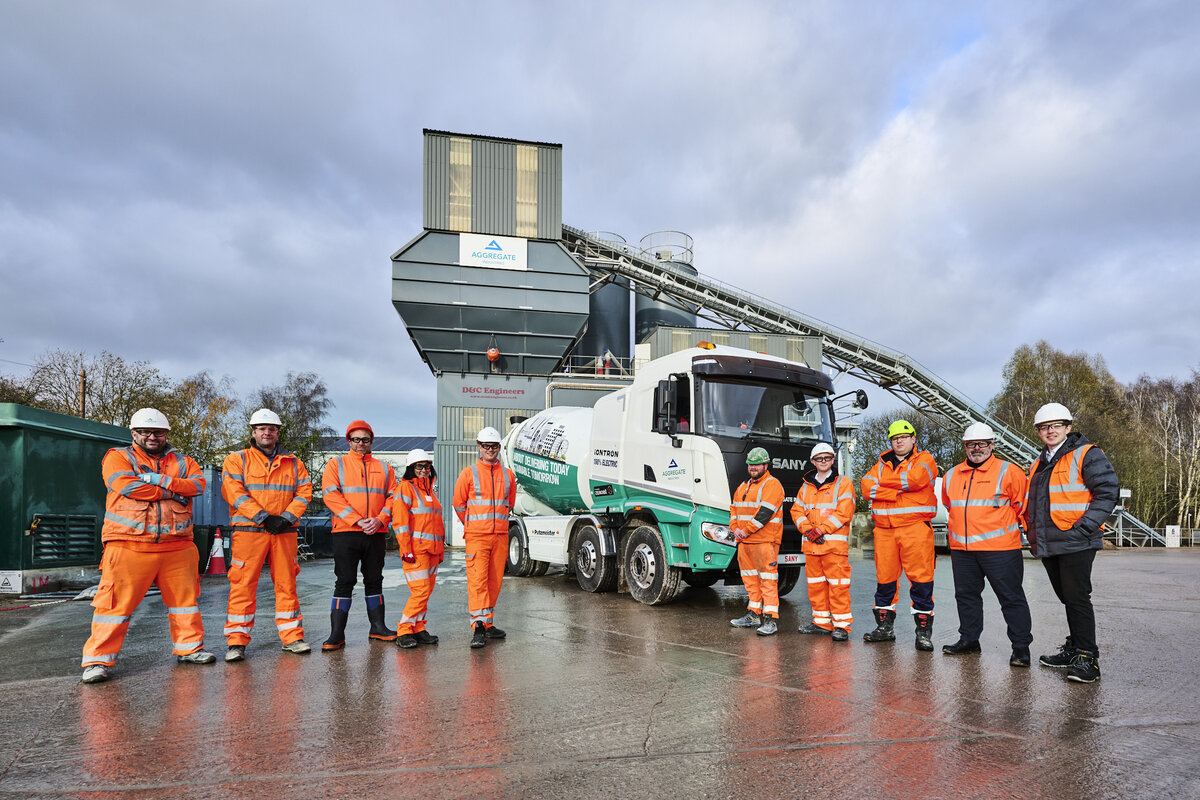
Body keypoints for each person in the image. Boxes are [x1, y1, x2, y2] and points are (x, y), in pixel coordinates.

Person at [81, 408, 214, 683]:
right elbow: (127, 487)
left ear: (166, 434)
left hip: (177, 545)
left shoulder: (184, 461)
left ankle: (189, 648)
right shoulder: (118, 457)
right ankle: (96, 661)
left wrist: (161, 481)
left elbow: (198, 486)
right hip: (128, 544)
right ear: (134, 433)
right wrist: (173, 492)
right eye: (146, 432)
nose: (153, 437)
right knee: (114, 606)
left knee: (185, 604)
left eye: (159, 432)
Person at [1026, 403, 1118, 684]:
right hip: (1049, 543)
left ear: (1068, 427)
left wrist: (1086, 527)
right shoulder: (1039, 463)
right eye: (1044, 427)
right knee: (1067, 598)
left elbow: (1107, 490)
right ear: (1039, 432)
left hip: (1077, 539)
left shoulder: (1087, 455)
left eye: (1056, 425)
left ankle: (1088, 658)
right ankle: (1074, 647)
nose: (1050, 430)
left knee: (1077, 599)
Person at [221, 408, 313, 661]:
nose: (267, 432)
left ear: (277, 432)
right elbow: (234, 492)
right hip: (249, 531)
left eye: (271, 429)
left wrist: (286, 518)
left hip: (284, 532)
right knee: (242, 586)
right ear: (253, 431)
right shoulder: (237, 459)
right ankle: (236, 642)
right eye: (262, 428)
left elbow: (304, 492)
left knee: (287, 585)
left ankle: (292, 637)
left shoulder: (294, 462)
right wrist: (264, 518)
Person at [940, 423, 1033, 667]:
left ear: (992, 445)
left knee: (1011, 598)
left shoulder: (1008, 471)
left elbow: (1023, 508)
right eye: (971, 444)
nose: (977, 448)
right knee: (966, 597)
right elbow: (951, 506)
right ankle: (969, 640)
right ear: (965, 446)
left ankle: (1021, 648)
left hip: (1001, 550)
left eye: (982, 443)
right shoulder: (951, 475)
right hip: (963, 551)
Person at [320, 420, 400, 649]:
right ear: (349, 440)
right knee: (344, 581)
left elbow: (394, 496)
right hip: (346, 532)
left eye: (365, 439)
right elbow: (330, 495)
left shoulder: (385, 468)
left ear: (371, 440)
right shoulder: (336, 465)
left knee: (374, 580)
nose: (361, 443)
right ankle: (337, 634)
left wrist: (380, 519)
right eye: (356, 439)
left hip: (375, 531)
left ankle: (378, 628)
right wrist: (357, 519)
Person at [861, 419, 940, 650]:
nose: (899, 441)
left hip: (915, 528)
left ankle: (923, 634)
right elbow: (866, 488)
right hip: (884, 530)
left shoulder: (924, 459)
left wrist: (884, 488)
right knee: (885, 580)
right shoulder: (881, 463)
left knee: (921, 581)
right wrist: (898, 489)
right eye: (895, 438)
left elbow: (916, 480)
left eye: (903, 437)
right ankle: (884, 629)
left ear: (913, 439)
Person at [453, 427, 517, 649]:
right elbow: (458, 503)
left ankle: (488, 624)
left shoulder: (508, 475)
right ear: (478, 446)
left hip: (499, 536)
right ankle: (478, 626)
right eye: (486, 446)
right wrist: (473, 524)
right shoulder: (468, 473)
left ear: (499, 448)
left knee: (494, 582)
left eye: (494, 446)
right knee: (478, 581)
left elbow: (509, 504)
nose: (490, 450)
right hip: (477, 537)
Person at [791, 442, 856, 641]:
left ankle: (842, 626)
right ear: (813, 461)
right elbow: (796, 510)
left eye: (827, 458)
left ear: (833, 460)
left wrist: (821, 529)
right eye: (819, 459)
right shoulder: (806, 486)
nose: (823, 461)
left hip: (833, 547)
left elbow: (844, 512)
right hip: (812, 547)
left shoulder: (843, 483)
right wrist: (808, 529)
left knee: (838, 586)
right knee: (816, 586)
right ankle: (821, 622)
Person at [728, 447, 785, 636]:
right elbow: (733, 510)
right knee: (751, 581)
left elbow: (764, 514)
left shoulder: (772, 485)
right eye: (750, 464)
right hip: (746, 543)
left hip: (765, 541)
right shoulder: (743, 486)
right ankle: (753, 614)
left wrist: (744, 531)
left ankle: (770, 620)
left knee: (768, 581)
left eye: (757, 464)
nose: (753, 467)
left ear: (765, 465)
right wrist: (734, 528)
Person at [392, 448, 445, 649]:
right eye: (419, 466)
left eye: (427, 466)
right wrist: (406, 550)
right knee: (420, 591)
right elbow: (400, 523)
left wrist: (440, 551)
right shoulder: (405, 489)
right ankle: (404, 629)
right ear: (410, 468)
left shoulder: (431, 492)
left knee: (426, 591)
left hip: (432, 551)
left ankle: (419, 627)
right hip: (416, 551)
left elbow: (437, 524)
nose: (424, 470)